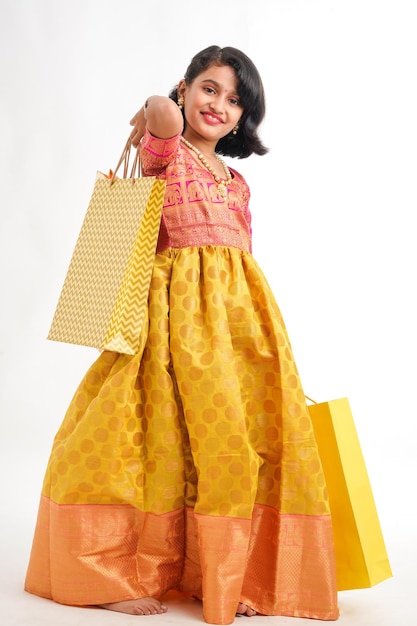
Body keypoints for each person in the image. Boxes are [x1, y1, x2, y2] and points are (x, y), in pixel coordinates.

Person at [25, 45, 339, 624]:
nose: (219, 105)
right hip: (172, 324)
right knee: (142, 436)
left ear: (245, 118)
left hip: (237, 329)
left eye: (234, 100)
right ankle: (109, 571)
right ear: (185, 87)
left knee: (229, 446)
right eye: (209, 89)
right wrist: (153, 108)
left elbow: (237, 262)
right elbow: (163, 121)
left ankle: (219, 573)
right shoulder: (167, 153)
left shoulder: (237, 181)